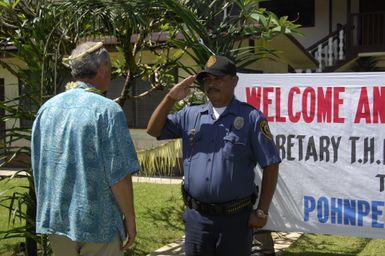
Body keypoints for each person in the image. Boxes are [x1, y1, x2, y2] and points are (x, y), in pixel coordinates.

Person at [147, 55, 281, 256]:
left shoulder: (251, 118)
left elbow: (271, 164)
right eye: (207, 80)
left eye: (218, 78)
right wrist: (170, 98)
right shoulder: (190, 115)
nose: (212, 84)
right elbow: (153, 129)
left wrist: (262, 211)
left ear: (234, 81)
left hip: (236, 220)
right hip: (197, 220)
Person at [31, 41, 140, 256]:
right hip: (99, 225)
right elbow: (118, 174)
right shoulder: (107, 111)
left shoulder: (46, 110)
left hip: (58, 223)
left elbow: (38, 166)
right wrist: (130, 217)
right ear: (103, 68)